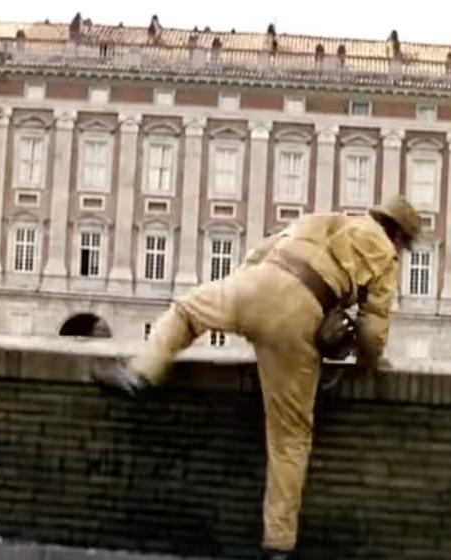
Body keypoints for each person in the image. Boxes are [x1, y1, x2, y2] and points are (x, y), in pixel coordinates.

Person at [93, 196, 421, 560]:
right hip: (300, 314)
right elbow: (374, 330)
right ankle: (278, 545)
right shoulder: (384, 253)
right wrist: (366, 362)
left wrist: (244, 296)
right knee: (289, 440)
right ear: (399, 236)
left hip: (256, 282)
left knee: (186, 311)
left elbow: (257, 254)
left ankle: (142, 372)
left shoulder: (324, 219)